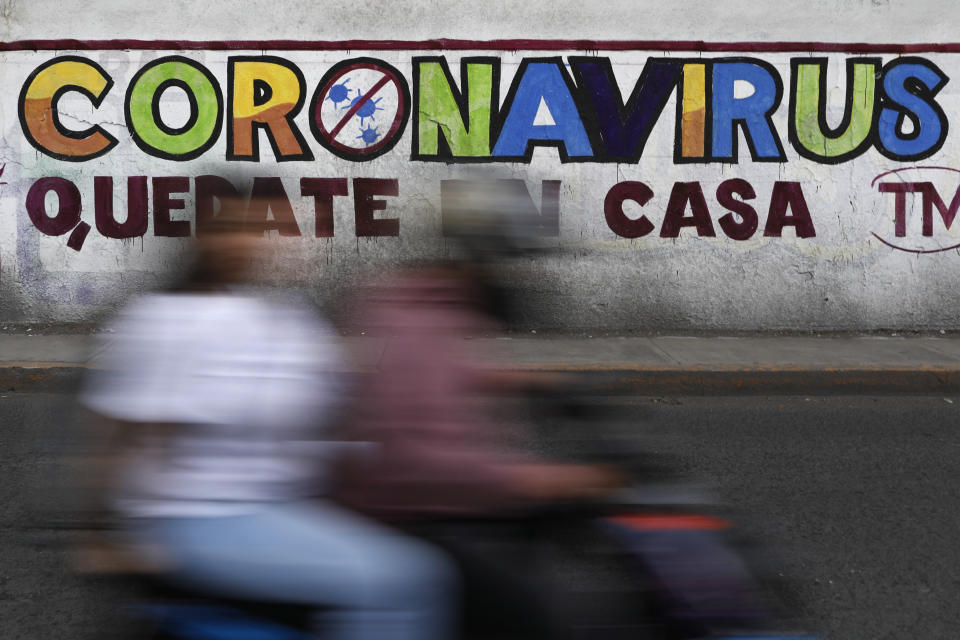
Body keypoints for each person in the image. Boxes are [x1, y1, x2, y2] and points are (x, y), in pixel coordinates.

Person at [80, 195, 457, 640]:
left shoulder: (291, 320)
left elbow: (341, 409)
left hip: (287, 509)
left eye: (265, 229)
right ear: (201, 240)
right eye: (234, 229)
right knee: (407, 581)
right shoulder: (166, 321)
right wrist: (107, 533)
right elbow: (122, 438)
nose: (252, 243)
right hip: (197, 519)